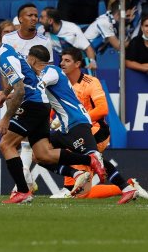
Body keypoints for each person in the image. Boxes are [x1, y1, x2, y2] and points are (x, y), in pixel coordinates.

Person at [0, 20, 106, 204]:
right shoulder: (7, 51)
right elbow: (21, 81)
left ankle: (23, 191)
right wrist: (4, 95)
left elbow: (21, 90)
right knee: (43, 154)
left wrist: (6, 118)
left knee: (6, 145)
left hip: (33, 104)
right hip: (42, 105)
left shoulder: (4, 56)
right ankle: (90, 160)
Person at [30, 45, 144, 204]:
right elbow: (53, 104)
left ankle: (73, 186)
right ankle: (123, 186)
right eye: (61, 59)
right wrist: (50, 120)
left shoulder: (87, 81)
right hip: (68, 127)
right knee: (39, 153)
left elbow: (103, 109)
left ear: (77, 64)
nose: (62, 63)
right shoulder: (62, 81)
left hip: (93, 127)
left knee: (91, 163)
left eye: (67, 60)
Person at [1, 3, 54, 192]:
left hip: (34, 97)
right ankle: (26, 182)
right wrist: (6, 93)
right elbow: (5, 67)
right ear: (20, 19)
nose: (34, 18)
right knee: (15, 143)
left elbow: (47, 70)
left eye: (36, 15)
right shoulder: (8, 39)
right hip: (15, 96)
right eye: (30, 15)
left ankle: (22, 186)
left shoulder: (44, 41)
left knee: (18, 142)